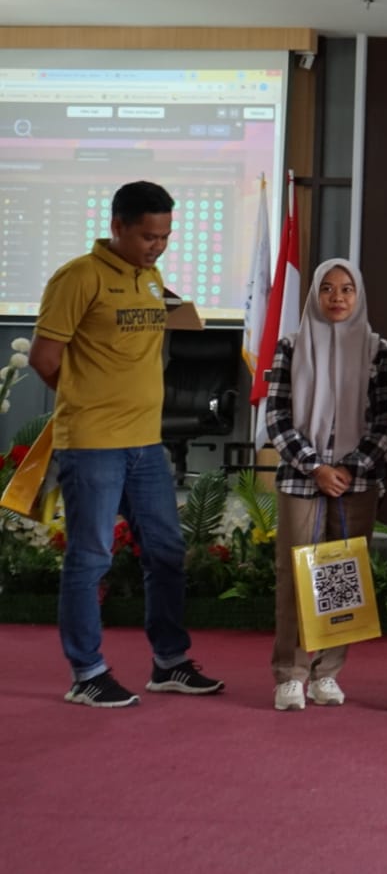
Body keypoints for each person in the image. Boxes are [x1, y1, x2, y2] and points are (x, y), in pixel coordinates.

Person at [30, 180, 226, 706]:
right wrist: (89, 402)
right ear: (117, 226)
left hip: (146, 444)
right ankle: (87, 673)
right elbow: (44, 359)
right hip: (93, 443)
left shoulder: (151, 277)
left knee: (166, 553)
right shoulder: (78, 277)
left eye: (164, 237)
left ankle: (169, 662)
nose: (157, 246)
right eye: (147, 236)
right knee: (91, 557)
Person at [264, 257, 387, 712]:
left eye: (346, 289)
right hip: (302, 479)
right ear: (314, 296)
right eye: (327, 289)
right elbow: (277, 417)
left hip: (357, 480)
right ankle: (291, 674)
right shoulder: (291, 345)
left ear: (359, 296)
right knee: (295, 576)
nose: (337, 297)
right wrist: (315, 466)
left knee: (343, 574)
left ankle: (327, 673)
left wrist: (352, 467)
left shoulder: (378, 349)